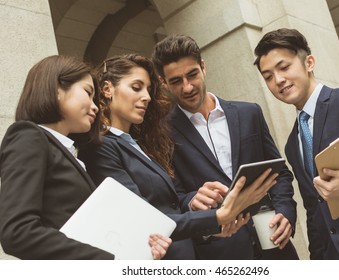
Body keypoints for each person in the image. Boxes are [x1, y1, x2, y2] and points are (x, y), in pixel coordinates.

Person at [79, 53, 278, 260]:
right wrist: (217, 217)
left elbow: (171, 208)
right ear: (107, 89)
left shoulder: (141, 147)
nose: (146, 96)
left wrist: (205, 220)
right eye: (136, 87)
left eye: (148, 89)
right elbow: (143, 220)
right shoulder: (100, 147)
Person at [0, 55, 171, 260]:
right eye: (88, 93)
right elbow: (17, 232)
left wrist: (140, 249)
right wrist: (109, 260)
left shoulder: (71, 153)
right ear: (56, 90)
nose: (96, 106)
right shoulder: (28, 136)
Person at [151, 35, 299, 260]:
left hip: (274, 244)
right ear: (163, 83)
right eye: (176, 81)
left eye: (192, 75)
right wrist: (191, 200)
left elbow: (280, 173)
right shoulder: (162, 135)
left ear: (203, 67)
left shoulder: (250, 113)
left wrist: (285, 212)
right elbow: (174, 198)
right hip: (221, 254)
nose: (187, 87)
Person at [253, 28, 339, 259]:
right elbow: (314, 209)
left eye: (284, 67)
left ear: (309, 62)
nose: (278, 80)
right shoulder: (291, 144)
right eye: (268, 76)